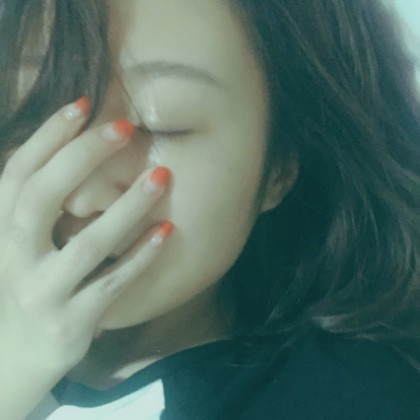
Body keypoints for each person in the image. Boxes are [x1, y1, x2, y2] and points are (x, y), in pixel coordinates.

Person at [0, 0, 419, 418]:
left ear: (281, 165)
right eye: (33, 109)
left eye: (161, 123)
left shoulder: (355, 399)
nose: (82, 197)